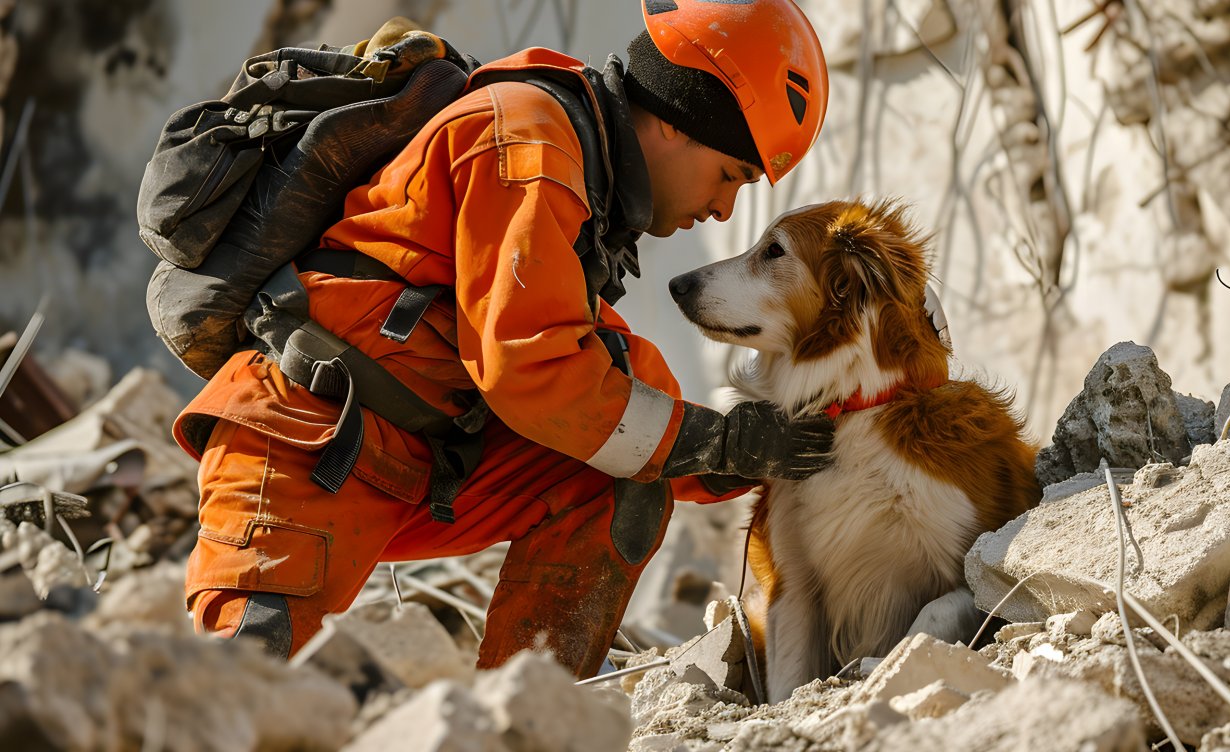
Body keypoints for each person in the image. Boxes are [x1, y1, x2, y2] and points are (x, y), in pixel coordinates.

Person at [168, 0, 832, 678]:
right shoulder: (530, 143)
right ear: (675, 119)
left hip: (411, 456)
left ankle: (525, 715)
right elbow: (531, 369)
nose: (723, 209)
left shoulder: (572, 166)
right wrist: (712, 440)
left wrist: (729, 456)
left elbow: (600, 376)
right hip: (303, 446)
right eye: (731, 175)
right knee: (240, 691)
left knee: (622, 480)